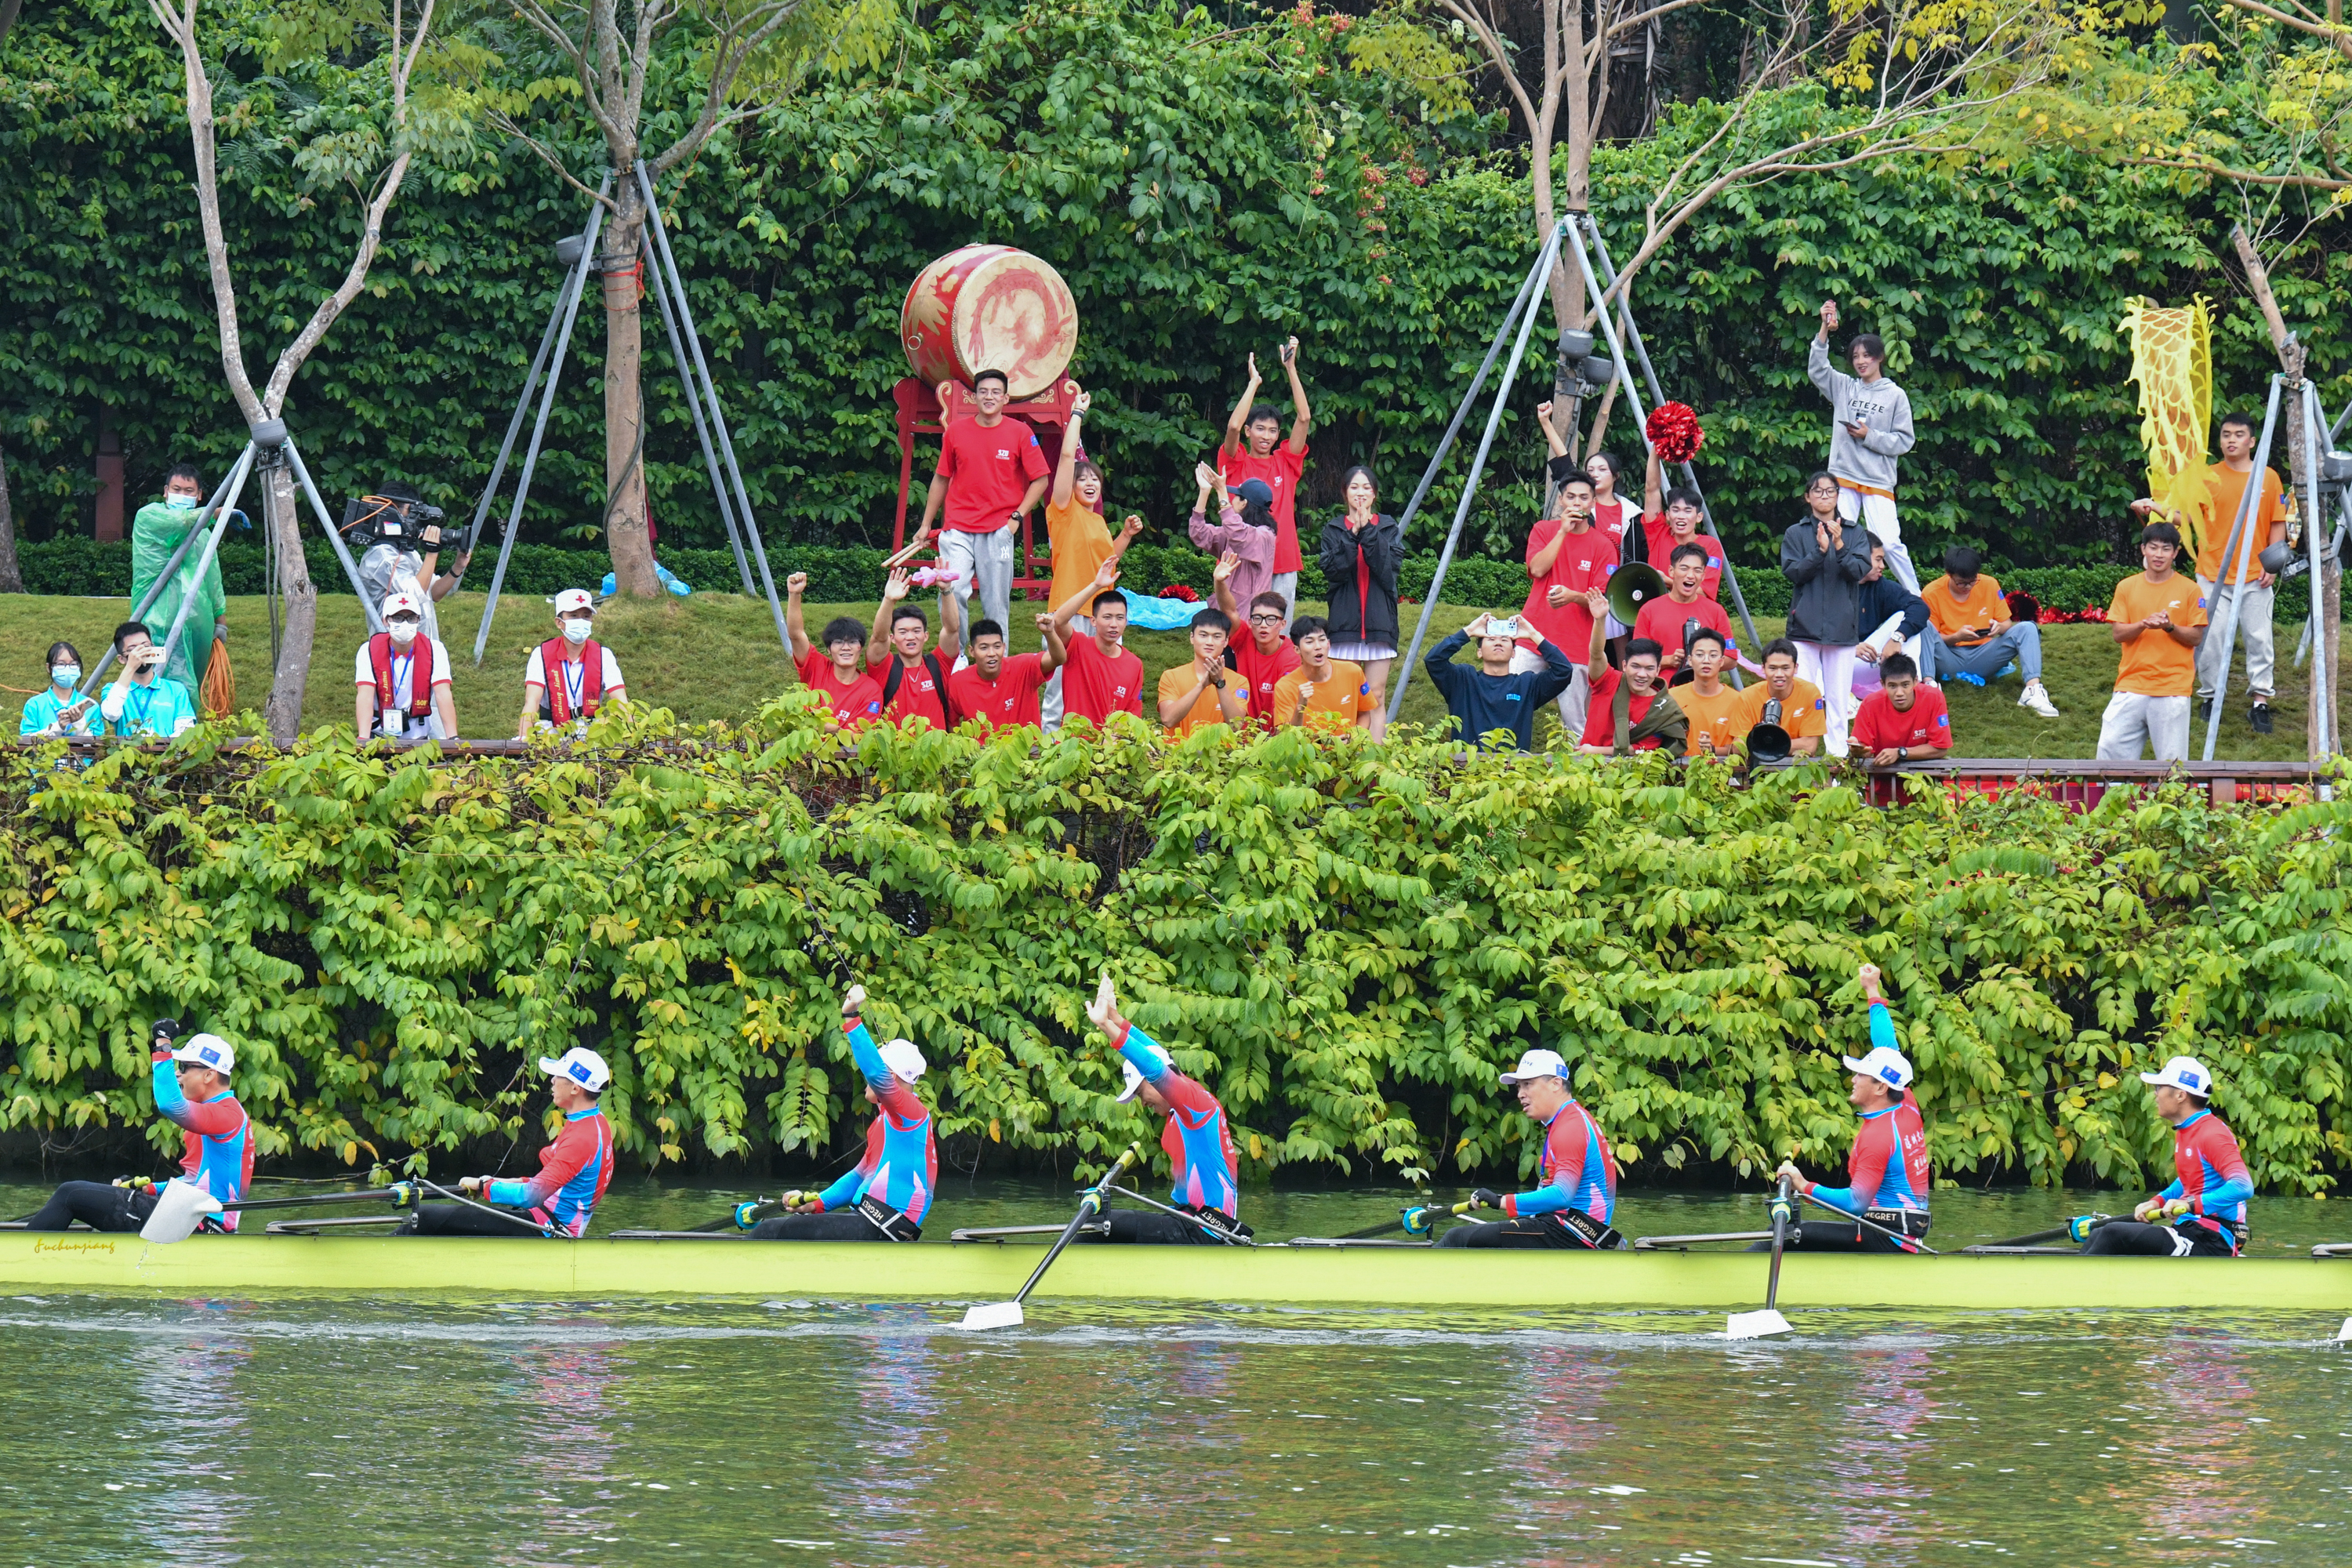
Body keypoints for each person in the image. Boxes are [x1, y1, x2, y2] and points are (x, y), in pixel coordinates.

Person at [2132, 412, 2287, 734]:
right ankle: (2210, 696)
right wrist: (2155, 506)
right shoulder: (2208, 477)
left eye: (2239, 434)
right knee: (2210, 641)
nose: (2232, 440)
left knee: (2260, 639)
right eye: (2226, 434)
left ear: (2252, 441)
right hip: (2212, 574)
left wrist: (2273, 565)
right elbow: (2184, 516)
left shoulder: (2268, 477)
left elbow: (2277, 522)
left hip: (2255, 575)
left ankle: (2260, 702)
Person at [24, 1022, 249, 1233]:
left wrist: (162, 1047)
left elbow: (172, 1105)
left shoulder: (227, 1114)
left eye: (184, 1067)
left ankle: (19, 1257)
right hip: (195, 1218)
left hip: (200, 1223)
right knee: (81, 1195)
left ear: (209, 1075)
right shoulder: (222, 1114)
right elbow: (196, 1183)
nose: (178, 1073)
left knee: (69, 1193)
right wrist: (153, 1188)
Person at [1766, 964, 1929, 1253]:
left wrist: (1803, 1185)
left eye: (1860, 1075)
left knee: (1790, 1235)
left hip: (1888, 1241)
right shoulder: (1906, 1098)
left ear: (1880, 1087)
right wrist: (1872, 991)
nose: (1853, 1079)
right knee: (1787, 1231)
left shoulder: (1878, 1136)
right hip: (1900, 1231)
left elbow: (1855, 1203)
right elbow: (1886, 1043)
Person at [751, 984, 934, 1241]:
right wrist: (814, 1205)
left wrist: (851, 1016)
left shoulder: (913, 1114)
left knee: (771, 1231)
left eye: (879, 1074)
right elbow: (858, 1177)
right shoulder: (883, 1124)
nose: (866, 1079)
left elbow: (876, 1075)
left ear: (891, 1075)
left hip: (888, 1226)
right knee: (783, 1224)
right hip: (869, 1221)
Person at [1087, 972, 1247, 1242]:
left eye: (1140, 1092)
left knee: (1100, 1224)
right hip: (1185, 1220)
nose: (1142, 1102)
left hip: (1207, 1231)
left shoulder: (1194, 1104)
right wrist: (1116, 1018)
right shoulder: (1186, 1101)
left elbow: (1154, 1065)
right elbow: (1157, 1052)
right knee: (1100, 1223)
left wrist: (1105, 1026)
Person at [404, 1047, 613, 1237]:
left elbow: (532, 1195)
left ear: (575, 1089)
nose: (552, 1081)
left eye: (558, 1076)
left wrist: (484, 1186)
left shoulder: (582, 1139)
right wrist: (493, 1181)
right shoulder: (594, 1123)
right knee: (442, 1219)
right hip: (544, 1218)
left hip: (549, 1229)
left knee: (424, 1217)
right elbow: (550, 1184)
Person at [913, 370, 1050, 636]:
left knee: (996, 604)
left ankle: (996, 667)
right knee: (951, 591)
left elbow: (1041, 479)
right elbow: (941, 479)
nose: (989, 397)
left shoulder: (1021, 432)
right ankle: (956, 659)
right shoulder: (956, 431)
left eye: (996, 392)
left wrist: (1016, 519)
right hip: (957, 528)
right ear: (974, 397)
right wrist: (926, 524)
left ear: (1006, 398)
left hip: (999, 530)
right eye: (983, 392)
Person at [1440, 1048, 1620, 1250]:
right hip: (1570, 1228)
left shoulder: (1570, 1126)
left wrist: (1500, 1201)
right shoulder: (1570, 1119)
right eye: (1518, 1087)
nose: (1520, 1094)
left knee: (1456, 1239)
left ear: (1555, 1084)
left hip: (1574, 1233)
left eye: (1528, 1084)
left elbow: (1562, 1195)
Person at [2079, 1056, 2249, 1258]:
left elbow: (2243, 1186)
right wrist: (2157, 1202)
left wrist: (2188, 1204)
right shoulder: (2187, 1131)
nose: (2156, 1094)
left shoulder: (2213, 1133)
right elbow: (2188, 1182)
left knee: (2113, 1232)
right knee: (2100, 1233)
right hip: (2190, 1230)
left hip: (2214, 1238)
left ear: (2180, 1095)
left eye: (2159, 1087)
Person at [1041, 390, 1142, 727]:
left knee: (1104, 686)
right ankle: (1050, 746)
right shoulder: (1062, 510)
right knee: (1059, 685)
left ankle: (1104, 745)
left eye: (1095, 479)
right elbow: (1068, 455)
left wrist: (1125, 536)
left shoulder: (1098, 520)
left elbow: (1106, 564)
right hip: (1068, 613)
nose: (1089, 483)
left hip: (1102, 615)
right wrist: (1077, 415)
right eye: (1082, 479)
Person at [1808, 299, 1921, 591]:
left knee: (1890, 542)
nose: (1861, 361)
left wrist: (1869, 436)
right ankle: (1835, 599)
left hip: (1877, 481)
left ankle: (1917, 601)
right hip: (1843, 478)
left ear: (1880, 357)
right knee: (1837, 538)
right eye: (1856, 356)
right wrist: (1824, 328)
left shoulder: (1895, 395)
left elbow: (1905, 441)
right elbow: (1818, 370)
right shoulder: (1844, 386)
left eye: (1867, 356)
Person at [1519, 452, 1617, 739]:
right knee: (1511, 699)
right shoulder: (1544, 530)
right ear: (1561, 500)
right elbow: (1537, 569)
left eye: (1584, 498)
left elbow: (1600, 602)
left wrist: (1574, 596)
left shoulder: (1604, 546)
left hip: (1576, 644)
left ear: (1593, 502)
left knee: (1575, 723)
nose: (1577, 503)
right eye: (1571, 497)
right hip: (1532, 637)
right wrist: (1562, 532)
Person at [2095, 521, 2207, 762]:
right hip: (2130, 685)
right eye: (2153, 547)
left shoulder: (2191, 590)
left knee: (2172, 767)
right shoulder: (2126, 587)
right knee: (2109, 754)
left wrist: (2169, 627)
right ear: (2143, 549)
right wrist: (2144, 624)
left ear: (2175, 553)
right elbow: (2118, 634)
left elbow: (2196, 637)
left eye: (2166, 549)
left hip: (2172, 689)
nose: (2159, 555)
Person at [1780, 473, 1875, 754]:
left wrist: (1839, 546)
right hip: (1804, 628)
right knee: (1803, 697)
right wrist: (1819, 553)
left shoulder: (1855, 532)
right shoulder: (1795, 533)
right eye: (1817, 491)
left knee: (1837, 700)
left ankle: (1838, 762)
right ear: (1808, 496)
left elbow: (1859, 570)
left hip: (1842, 629)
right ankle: (1798, 758)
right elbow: (1793, 572)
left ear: (1837, 496)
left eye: (1830, 491)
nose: (1824, 496)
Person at [1218, 337, 1313, 619]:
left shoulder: (1285, 462)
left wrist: (1291, 369)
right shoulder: (1236, 463)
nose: (1267, 436)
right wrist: (1253, 383)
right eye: (1260, 429)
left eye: (1273, 431)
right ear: (1250, 432)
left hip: (1282, 560)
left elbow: (1304, 418)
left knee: (1277, 632)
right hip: (1241, 559)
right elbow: (1233, 425)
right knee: (1240, 628)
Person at [129, 463, 229, 702]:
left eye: (188, 491)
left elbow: (213, 577)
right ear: (165, 491)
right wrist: (216, 512)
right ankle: (149, 732)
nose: (182, 496)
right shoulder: (149, 517)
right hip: (155, 620)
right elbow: (179, 522)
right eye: (177, 489)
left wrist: (220, 621)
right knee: (152, 682)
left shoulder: (204, 533)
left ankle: (186, 730)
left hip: (197, 622)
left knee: (189, 689)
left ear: (199, 495)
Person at [1921, 546, 2060, 717]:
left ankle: (2032, 691)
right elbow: (1930, 638)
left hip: (1984, 656)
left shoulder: (1989, 584)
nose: (1968, 587)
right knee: (1923, 626)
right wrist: (1957, 637)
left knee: (2028, 628)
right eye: (1962, 582)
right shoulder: (1931, 592)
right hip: (1949, 657)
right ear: (1948, 574)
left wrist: (1998, 628)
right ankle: (1928, 688)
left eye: (1973, 581)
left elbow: (2006, 623)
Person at [1318, 465, 1403, 738]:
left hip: (1380, 623)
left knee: (1375, 693)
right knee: (1347, 694)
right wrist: (1351, 534)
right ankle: (1346, 757)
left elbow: (1386, 568)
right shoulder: (1333, 529)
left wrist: (1367, 531)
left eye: (1367, 487)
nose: (1361, 493)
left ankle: (1376, 759)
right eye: (1354, 487)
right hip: (1344, 623)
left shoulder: (1388, 527)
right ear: (1345, 493)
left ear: (1375, 494)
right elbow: (1333, 570)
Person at [1425, 611, 1575, 752]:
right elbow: (1434, 660)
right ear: (1479, 652)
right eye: (1491, 639)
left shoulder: (1527, 685)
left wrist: (1533, 634)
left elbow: (1563, 671)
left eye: (1505, 640)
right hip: (1466, 769)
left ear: (1514, 652)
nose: (1498, 643)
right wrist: (1469, 631)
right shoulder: (1463, 681)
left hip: (1511, 772)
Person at [350, 481, 471, 646]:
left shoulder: (408, 553)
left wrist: (458, 567)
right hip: (392, 649)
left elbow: (434, 593)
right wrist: (432, 553)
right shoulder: (381, 556)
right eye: (411, 512)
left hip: (423, 646)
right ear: (392, 511)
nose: (414, 519)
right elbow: (413, 596)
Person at [1579, 608, 1687, 756]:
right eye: (1635, 666)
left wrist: (1593, 751)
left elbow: (1638, 749)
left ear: (1658, 670)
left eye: (1649, 668)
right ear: (1624, 666)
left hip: (1632, 772)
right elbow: (1596, 654)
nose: (1641, 674)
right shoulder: (1609, 681)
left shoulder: (1663, 709)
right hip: (1587, 768)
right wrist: (1600, 620)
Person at [521, 589, 627, 738]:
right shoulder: (541, 654)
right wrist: (523, 738)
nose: (581, 621)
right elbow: (532, 700)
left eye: (586, 616)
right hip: (549, 731)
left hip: (591, 731)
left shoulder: (604, 655)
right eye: (573, 616)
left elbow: (620, 700)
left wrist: (633, 733)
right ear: (559, 623)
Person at [1051, 559, 1145, 728]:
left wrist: (1111, 741)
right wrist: (1096, 585)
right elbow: (1058, 620)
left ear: (1126, 621)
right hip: (1074, 747)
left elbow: (1131, 715)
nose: (1114, 624)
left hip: (1111, 749)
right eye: (1107, 617)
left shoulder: (1134, 664)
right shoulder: (1077, 646)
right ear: (1093, 621)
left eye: (1120, 618)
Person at [354, 591, 458, 744]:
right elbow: (365, 695)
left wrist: (453, 738)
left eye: (411, 619)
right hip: (379, 739)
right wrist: (363, 739)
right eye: (397, 618)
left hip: (420, 739)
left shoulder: (435, 650)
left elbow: (443, 693)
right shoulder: (368, 650)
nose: (404, 624)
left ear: (418, 620)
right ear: (386, 620)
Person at [786, 572, 885, 731]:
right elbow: (796, 635)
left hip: (847, 755)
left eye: (852, 642)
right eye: (838, 642)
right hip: (804, 752)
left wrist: (821, 726)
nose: (846, 648)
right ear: (828, 649)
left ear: (861, 648)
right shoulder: (816, 667)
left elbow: (860, 735)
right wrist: (794, 594)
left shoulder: (871, 690)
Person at [866, 568, 963, 730]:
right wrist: (889, 600)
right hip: (895, 753)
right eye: (903, 632)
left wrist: (946, 590)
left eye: (916, 631)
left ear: (926, 636)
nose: (910, 637)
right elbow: (878, 637)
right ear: (893, 638)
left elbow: (952, 629)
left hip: (936, 753)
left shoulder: (938, 665)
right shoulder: (885, 667)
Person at [1632, 543, 1740, 677]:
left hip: (1702, 692)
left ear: (1704, 575)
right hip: (1660, 692)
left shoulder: (1716, 611)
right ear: (1671, 571)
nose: (1690, 575)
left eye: (1697, 570)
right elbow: (1635, 657)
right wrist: (1668, 660)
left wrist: (1702, 661)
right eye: (1684, 568)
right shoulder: (1649, 610)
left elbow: (1731, 659)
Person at [1190, 463, 1279, 623]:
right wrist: (1204, 492)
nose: (1232, 500)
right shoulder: (1233, 532)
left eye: (1236, 497)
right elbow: (1199, 534)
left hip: (1246, 620)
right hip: (1223, 615)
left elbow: (1238, 534)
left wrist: (1221, 491)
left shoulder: (1265, 536)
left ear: (1244, 503)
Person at [947, 615, 1065, 733]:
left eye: (997, 646)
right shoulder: (958, 682)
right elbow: (952, 725)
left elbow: (1059, 658)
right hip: (980, 751)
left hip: (1027, 750)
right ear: (972, 651)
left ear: (1004, 647)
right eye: (984, 648)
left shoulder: (1024, 667)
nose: (992, 653)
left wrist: (1049, 633)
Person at [1639, 448, 1728, 599]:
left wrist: (1668, 582)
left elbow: (1705, 592)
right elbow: (1651, 489)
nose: (1681, 517)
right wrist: (1656, 448)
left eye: (1687, 511)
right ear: (1668, 515)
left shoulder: (1711, 545)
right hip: (1656, 611)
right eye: (1675, 510)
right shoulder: (1659, 533)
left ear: (1699, 517)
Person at [1211, 584, 1301, 731]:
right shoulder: (1244, 638)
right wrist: (1219, 581)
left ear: (1283, 624)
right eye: (1258, 618)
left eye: (1271, 619)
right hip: (1242, 734)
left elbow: (1286, 707)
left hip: (1276, 736)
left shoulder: (1291, 658)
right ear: (1250, 622)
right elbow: (1229, 610)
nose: (1263, 625)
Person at [1854, 539, 1935, 691]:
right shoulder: (1832, 586)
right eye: (1878, 559)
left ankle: (1912, 686)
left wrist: (1897, 638)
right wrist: (1849, 648)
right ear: (1861, 557)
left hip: (1869, 660)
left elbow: (1920, 608)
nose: (1882, 566)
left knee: (1906, 618)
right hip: (1836, 664)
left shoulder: (1879, 585)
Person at [1158, 607, 1250, 739]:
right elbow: (1168, 719)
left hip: (1219, 757)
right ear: (1192, 638)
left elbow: (1236, 725)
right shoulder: (1171, 676)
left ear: (1226, 642)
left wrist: (1220, 684)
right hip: (1177, 756)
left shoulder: (1239, 681)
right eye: (1203, 635)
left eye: (1217, 636)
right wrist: (1201, 686)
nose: (1209, 642)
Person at [1270, 615, 1374, 731]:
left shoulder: (1353, 672)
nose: (1318, 647)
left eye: (1322, 640)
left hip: (1347, 749)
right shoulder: (1285, 686)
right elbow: (1286, 736)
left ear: (1328, 644)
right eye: (1309, 642)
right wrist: (1300, 707)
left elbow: (1364, 714)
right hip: (1308, 749)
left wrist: (1352, 738)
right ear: (1296, 650)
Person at [99, 621, 199, 740]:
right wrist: (130, 667)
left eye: (146, 646)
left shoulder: (176, 690)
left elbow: (185, 731)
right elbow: (111, 713)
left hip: (167, 757)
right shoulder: (112, 690)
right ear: (121, 659)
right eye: (133, 649)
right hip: (127, 756)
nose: (141, 653)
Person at [1850, 653, 1951, 767]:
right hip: (1883, 777)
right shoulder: (1869, 704)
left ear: (1915, 681)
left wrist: (1900, 753)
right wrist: (1857, 751)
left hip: (1925, 779)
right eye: (1893, 686)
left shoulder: (1934, 697)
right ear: (1883, 684)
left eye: (1905, 685)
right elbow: (1865, 751)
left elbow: (1941, 748)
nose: (1899, 693)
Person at [1733, 638, 1828, 758]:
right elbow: (1738, 747)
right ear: (1763, 669)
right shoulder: (1747, 696)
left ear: (1796, 668)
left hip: (1795, 768)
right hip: (1757, 769)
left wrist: (1763, 745)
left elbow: (1809, 746)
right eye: (1772, 668)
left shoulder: (1810, 693)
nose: (1779, 674)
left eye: (1785, 668)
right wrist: (1784, 746)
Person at [1675, 630, 1745, 758]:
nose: (1706, 661)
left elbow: (1739, 749)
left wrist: (1712, 749)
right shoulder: (1672, 697)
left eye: (1713, 655)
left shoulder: (1738, 700)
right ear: (1689, 660)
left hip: (1722, 773)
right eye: (1700, 655)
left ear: (1722, 661)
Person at [19, 641, 101, 739]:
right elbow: (26, 745)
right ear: (49, 668)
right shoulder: (34, 705)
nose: (68, 668)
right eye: (61, 664)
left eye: (73, 664)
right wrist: (57, 728)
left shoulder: (91, 707)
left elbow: (98, 748)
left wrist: (79, 725)